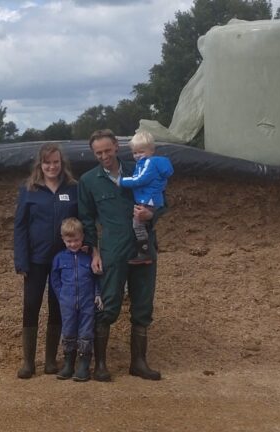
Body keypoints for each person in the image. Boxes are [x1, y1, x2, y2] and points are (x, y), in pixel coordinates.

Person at [78, 129, 166, 382]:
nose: (104, 156)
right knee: (107, 304)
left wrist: (151, 214)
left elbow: (162, 200)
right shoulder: (89, 180)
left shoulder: (141, 169)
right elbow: (86, 219)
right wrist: (94, 251)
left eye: (107, 150)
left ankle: (139, 363)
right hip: (113, 250)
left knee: (143, 305)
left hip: (143, 247)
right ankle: (100, 365)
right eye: (98, 153)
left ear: (117, 146)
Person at [13, 142, 79, 379]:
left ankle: (50, 359)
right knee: (31, 305)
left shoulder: (73, 189)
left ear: (62, 163)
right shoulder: (29, 190)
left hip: (63, 259)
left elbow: (81, 221)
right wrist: (21, 260)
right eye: (47, 162)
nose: (52, 167)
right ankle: (28, 362)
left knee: (57, 306)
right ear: (40, 164)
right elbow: (20, 227)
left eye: (56, 162)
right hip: (35, 259)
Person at [50, 218, 103, 382]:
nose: (73, 244)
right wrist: (62, 295)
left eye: (76, 240)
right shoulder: (59, 258)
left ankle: (83, 366)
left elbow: (96, 278)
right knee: (68, 331)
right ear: (63, 239)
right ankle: (68, 364)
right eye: (69, 241)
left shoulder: (88, 257)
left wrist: (97, 294)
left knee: (86, 332)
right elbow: (55, 279)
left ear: (82, 237)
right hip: (67, 303)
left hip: (87, 302)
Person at [118, 131, 173, 264]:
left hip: (149, 200)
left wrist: (121, 181)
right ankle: (148, 248)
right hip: (148, 198)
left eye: (141, 151)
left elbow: (140, 180)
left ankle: (145, 252)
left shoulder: (149, 163)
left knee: (137, 224)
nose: (137, 155)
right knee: (143, 224)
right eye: (134, 152)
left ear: (151, 150)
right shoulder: (144, 163)